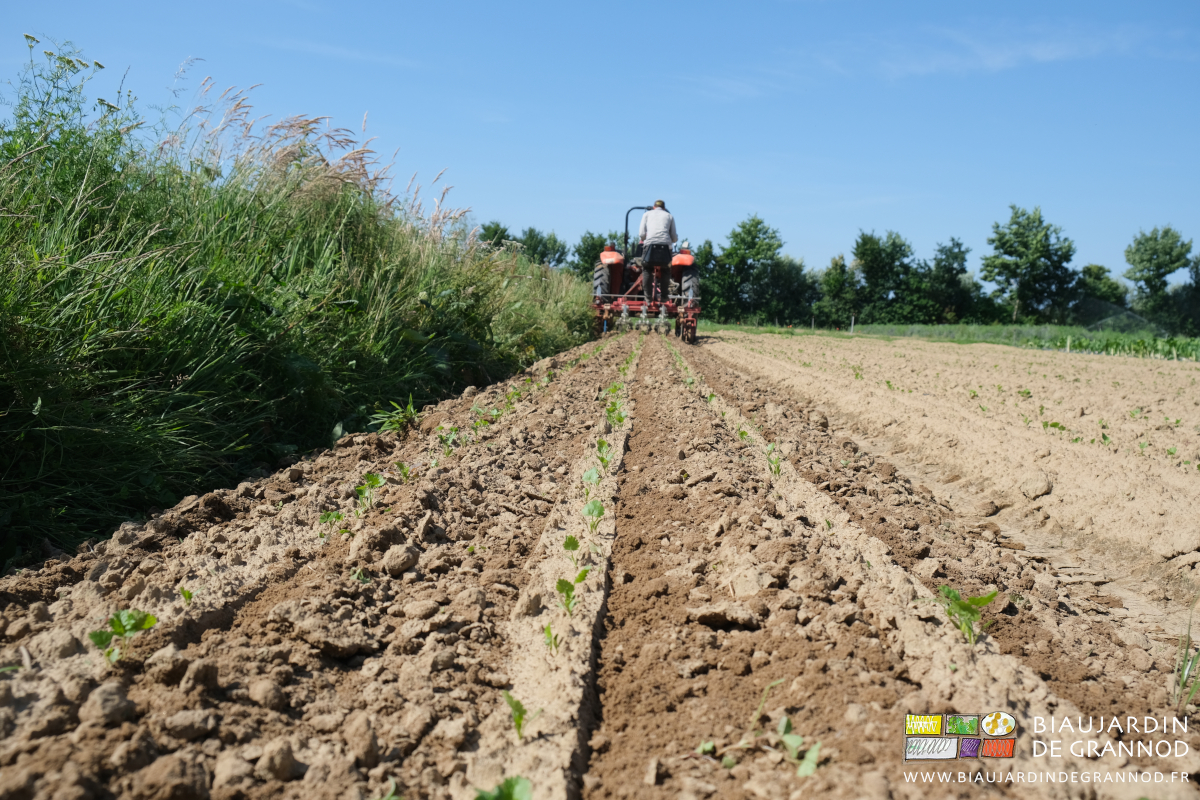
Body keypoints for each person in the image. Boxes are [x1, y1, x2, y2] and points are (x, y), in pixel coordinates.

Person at [638, 200, 677, 303]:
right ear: (664, 208)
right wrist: (673, 240)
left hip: (650, 246)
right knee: (666, 270)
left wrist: (645, 238)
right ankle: (664, 297)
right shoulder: (669, 216)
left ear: (653, 207)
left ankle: (648, 298)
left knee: (647, 269)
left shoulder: (646, 215)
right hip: (665, 247)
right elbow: (674, 237)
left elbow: (642, 234)